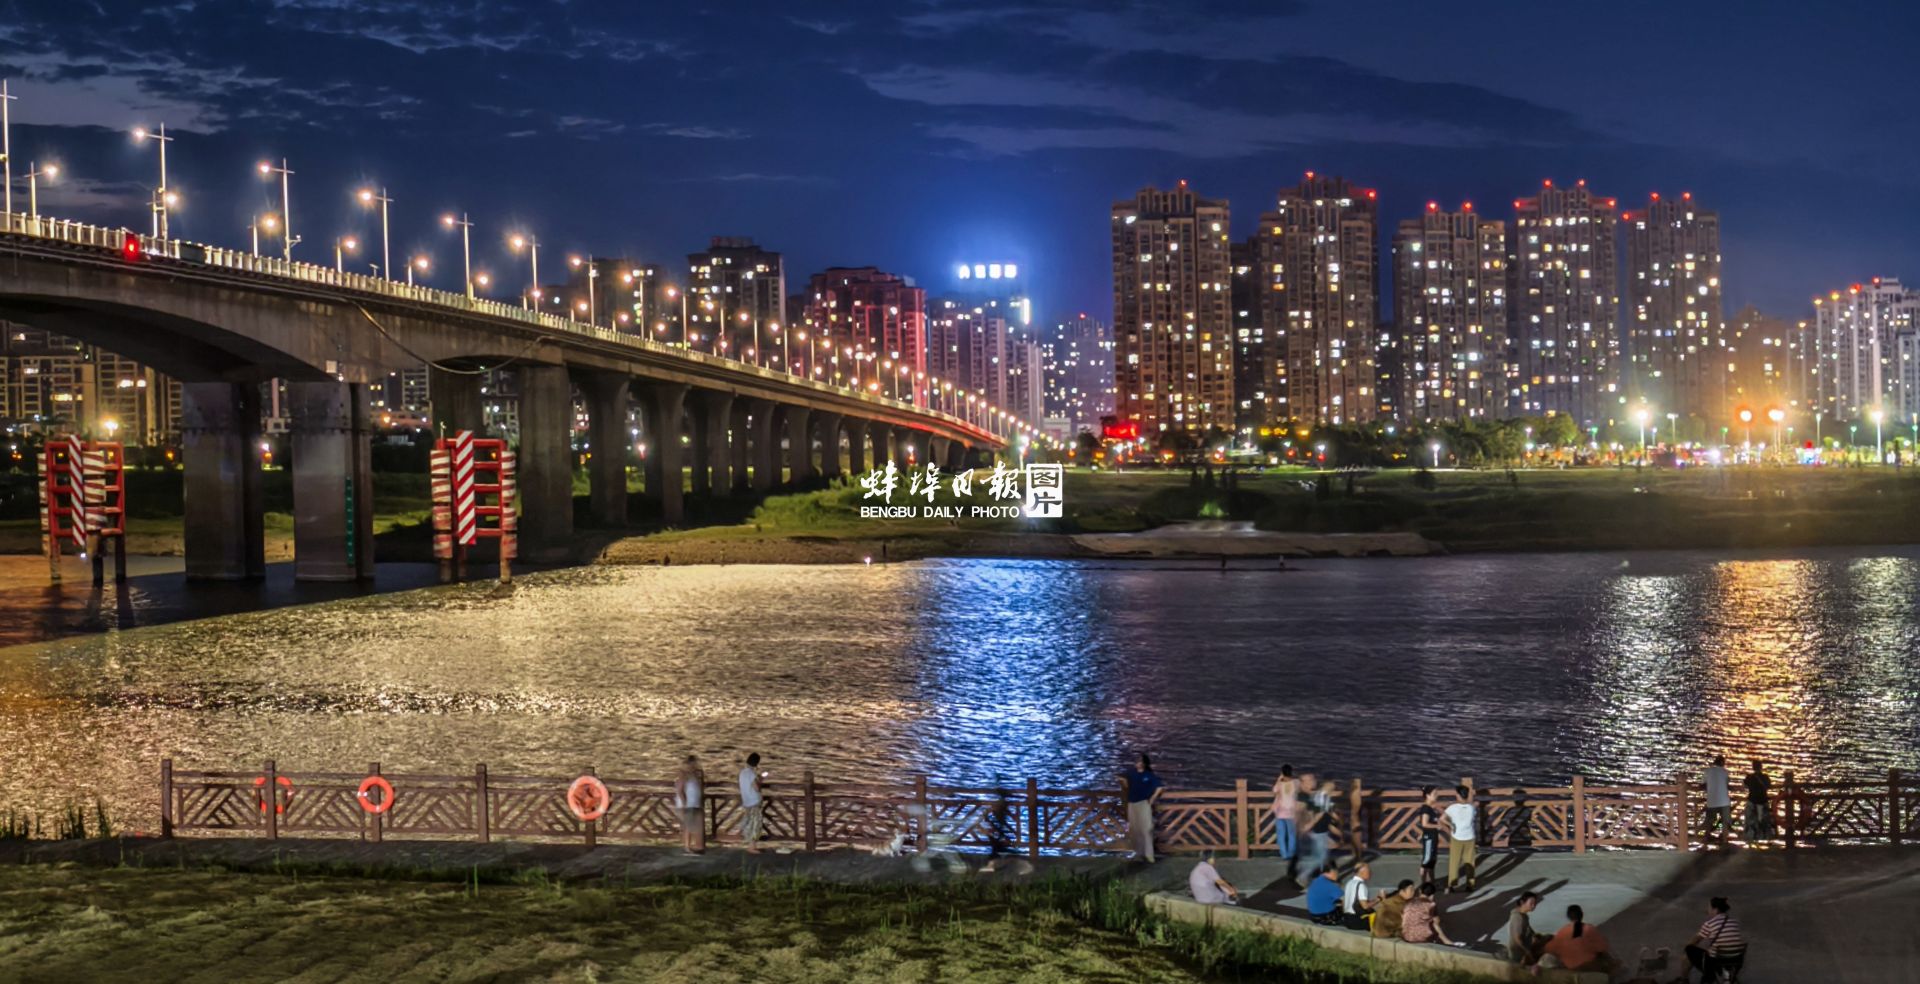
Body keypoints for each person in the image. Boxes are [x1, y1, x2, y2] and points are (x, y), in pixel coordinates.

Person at [1677, 896, 1747, 983]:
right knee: (1710, 951)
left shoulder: (1710, 924)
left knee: (1688, 949)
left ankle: (1684, 980)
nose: (1707, 910)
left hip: (1716, 962)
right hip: (1735, 960)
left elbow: (1695, 940)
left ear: (1715, 909)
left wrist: (1686, 948)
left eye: (1709, 907)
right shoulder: (1734, 922)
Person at [1542, 904, 1615, 974]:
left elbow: (1548, 948)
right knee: (1605, 955)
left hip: (1572, 969)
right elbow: (1603, 947)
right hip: (1590, 966)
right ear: (1582, 914)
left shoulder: (1562, 932)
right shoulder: (1589, 929)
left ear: (1568, 917)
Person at [1120, 753, 1165, 862]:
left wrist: (1152, 798)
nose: (1138, 763)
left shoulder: (1148, 775)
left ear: (1144, 763)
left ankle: (1149, 854)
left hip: (1144, 803)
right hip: (1132, 803)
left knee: (1146, 828)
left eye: (1140, 761)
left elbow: (1159, 787)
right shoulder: (1131, 773)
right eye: (1137, 761)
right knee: (1135, 829)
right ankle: (1139, 853)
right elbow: (1123, 779)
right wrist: (1124, 782)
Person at [1295, 777, 1336, 886]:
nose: (1333, 789)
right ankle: (1303, 876)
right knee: (1320, 857)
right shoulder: (1323, 796)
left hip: (1321, 829)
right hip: (1319, 829)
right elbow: (1319, 813)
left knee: (1321, 855)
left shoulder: (1320, 795)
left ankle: (1321, 877)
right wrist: (1310, 825)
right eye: (1331, 787)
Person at [1399, 882, 1462, 947]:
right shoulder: (1431, 904)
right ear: (1432, 895)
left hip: (1406, 936)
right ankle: (1447, 942)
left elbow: (1402, 915)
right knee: (1434, 924)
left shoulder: (1410, 901)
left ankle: (1446, 942)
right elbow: (1437, 921)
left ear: (1420, 891)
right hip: (1420, 938)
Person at [1443, 784, 1478, 892]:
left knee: (1454, 862)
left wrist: (1451, 825)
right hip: (1470, 837)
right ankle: (1470, 885)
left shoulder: (1452, 808)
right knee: (1470, 862)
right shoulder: (1472, 808)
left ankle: (1452, 885)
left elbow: (1442, 819)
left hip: (1457, 837)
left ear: (1458, 795)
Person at [672, 755, 706, 855]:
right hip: (688, 805)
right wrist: (684, 804)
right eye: (694, 764)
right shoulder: (683, 776)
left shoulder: (694, 775)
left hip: (694, 804)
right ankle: (687, 847)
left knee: (694, 826)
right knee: (688, 826)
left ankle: (696, 846)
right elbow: (680, 791)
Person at [1506, 891, 1548, 965]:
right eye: (1531, 903)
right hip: (1519, 953)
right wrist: (1527, 952)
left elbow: (1528, 929)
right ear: (1522, 902)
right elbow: (1517, 939)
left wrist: (1536, 936)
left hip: (1524, 948)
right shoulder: (1518, 917)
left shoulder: (1524, 916)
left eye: (1535, 904)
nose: (1533, 906)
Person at [1270, 765, 1299, 862]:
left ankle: (1284, 854)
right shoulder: (1296, 782)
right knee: (1292, 834)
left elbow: (1274, 790)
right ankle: (1291, 854)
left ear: (1282, 773)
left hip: (1280, 812)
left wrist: (1279, 779)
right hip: (1291, 812)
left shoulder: (1280, 784)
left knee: (1281, 834)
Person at [737, 752, 766, 852]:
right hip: (754, 801)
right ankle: (752, 847)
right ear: (756, 763)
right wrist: (760, 781)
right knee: (755, 823)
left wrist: (758, 778)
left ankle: (750, 845)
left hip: (746, 801)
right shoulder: (751, 773)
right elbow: (756, 788)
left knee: (749, 822)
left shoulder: (742, 773)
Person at [1417, 785, 1443, 888]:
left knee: (1432, 860)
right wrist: (1437, 826)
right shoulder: (1426, 809)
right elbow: (1424, 824)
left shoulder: (1431, 808)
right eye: (1434, 794)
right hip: (1429, 838)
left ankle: (1432, 882)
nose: (1437, 796)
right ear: (1428, 795)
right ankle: (1423, 884)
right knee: (1426, 861)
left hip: (1432, 837)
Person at [1703, 755, 1732, 845]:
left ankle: (1706, 837)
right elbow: (1727, 783)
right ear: (1722, 763)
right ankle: (1724, 839)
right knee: (1725, 821)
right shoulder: (1725, 772)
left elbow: (1703, 783)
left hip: (1712, 800)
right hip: (1724, 800)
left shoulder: (1707, 771)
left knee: (1710, 820)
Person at [1305, 861, 1344, 925]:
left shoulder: (1316, 880)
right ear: (1332, 871)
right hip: (1326, 917)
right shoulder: (1331, 885)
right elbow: (1344, 900)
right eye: (1337, 872)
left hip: (1313, 916)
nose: (1337, 874)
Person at [1341, 860, 1377, 929]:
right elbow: (1365, 906)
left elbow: (1343, 902)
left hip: (1347, 919)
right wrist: (1379, 899)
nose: (1370, 873)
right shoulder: (1361, 885)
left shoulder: (1349, 883)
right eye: (1368, 871)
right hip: (1357, 921)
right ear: (1362, 872)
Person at [1743, 761, 1773, 841]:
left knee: (1750, 819)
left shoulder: (1749, 777)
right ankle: (1764, 836)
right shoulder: (1765, 777)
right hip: (1763, 800)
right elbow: (1769, 786)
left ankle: (1752, 836)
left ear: (1753, 767)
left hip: (1752, 800)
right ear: (1761, 767)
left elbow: (1745, 785)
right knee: (1764, 820)